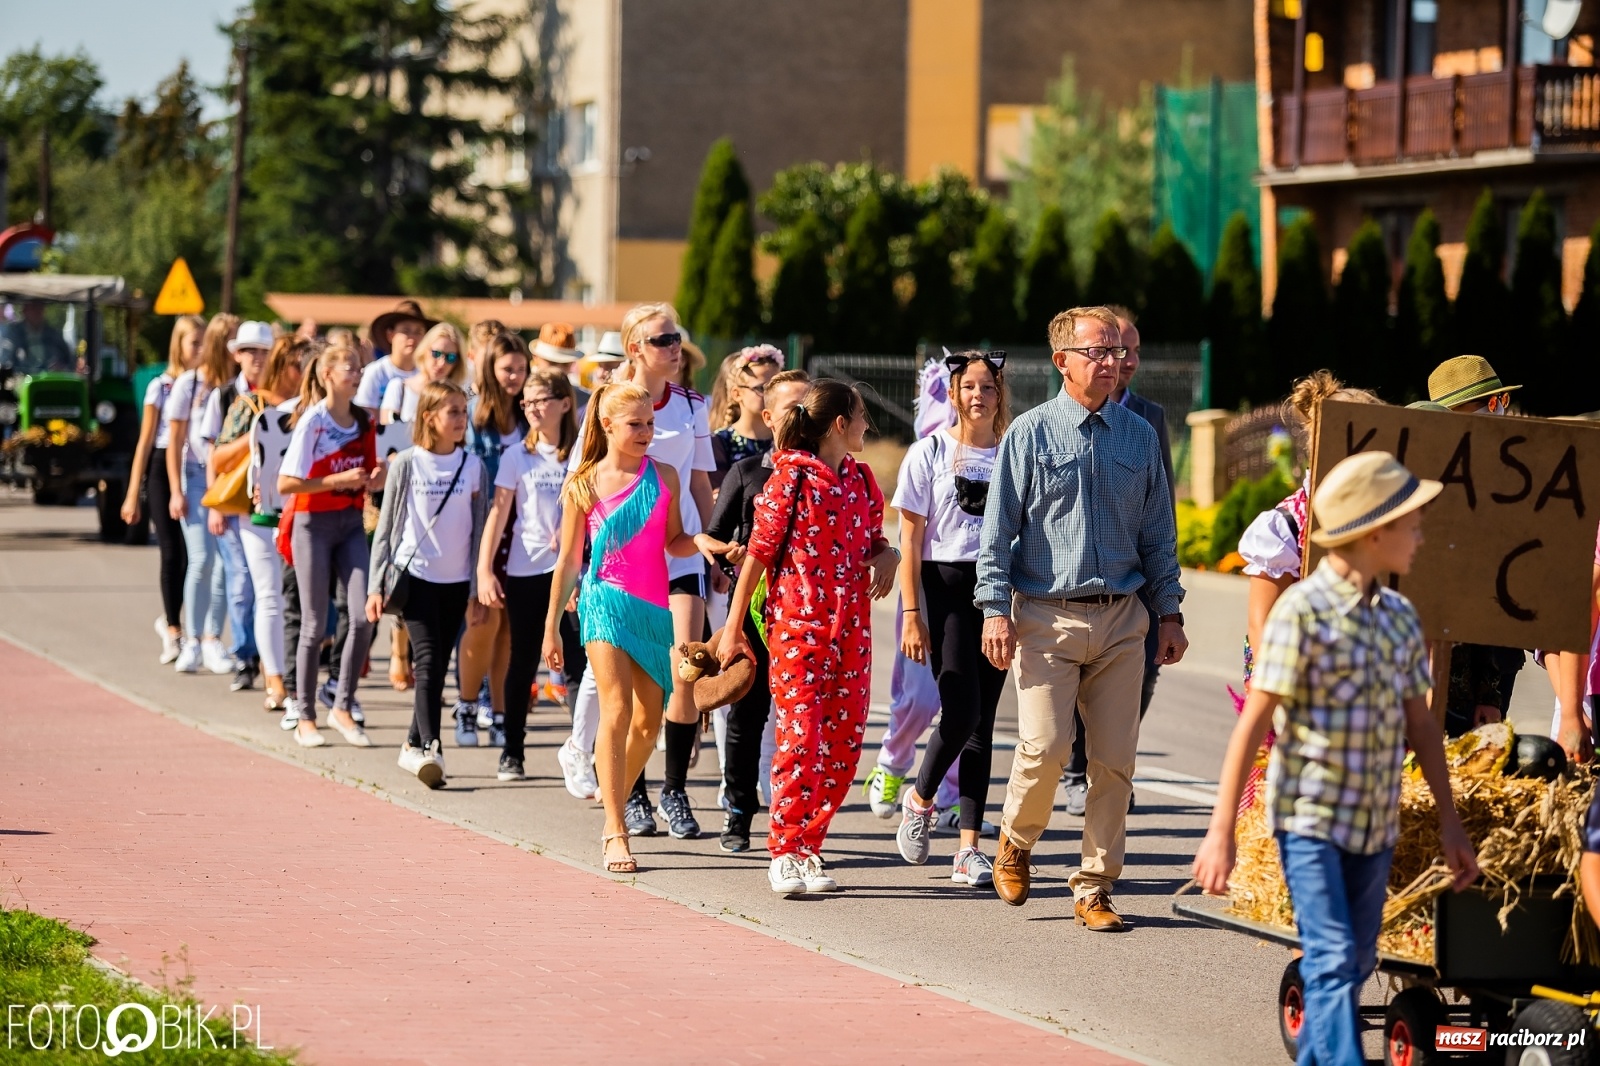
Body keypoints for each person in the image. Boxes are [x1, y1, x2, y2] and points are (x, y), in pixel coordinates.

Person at [1194, 450, 1479, 1066]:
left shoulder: (1400, 619)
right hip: (1311, 822)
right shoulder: (1302, 614)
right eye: (1411, 523)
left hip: (1375, 826)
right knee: (1328, 957)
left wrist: (1451, 822)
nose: (1421, 535)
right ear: (1375, 532)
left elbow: (1422, 726)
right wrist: (1222, 831)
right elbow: (1254, 723)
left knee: (1354, 959)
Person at [977, 305, 1186, 930]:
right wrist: (994, 609)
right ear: (1061, 361)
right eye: (1096, 352)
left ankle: (1094, 886)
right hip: (1046, 614)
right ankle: (1016, 841)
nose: (1111, 362)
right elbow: (998, 533)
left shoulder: (1140, 436)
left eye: (1117, 352)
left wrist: (1169, 612)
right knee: (1045, 747)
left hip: (1124, 619)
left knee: (1115, 760)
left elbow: (1159, 534)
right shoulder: (1030, 435)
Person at [719, 379, 898, 895]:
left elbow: (874, 540)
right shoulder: (788, 479)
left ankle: (809, 846)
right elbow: (758, 553)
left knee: (843, 747)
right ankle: (784, 850)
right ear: (839, 424)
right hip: (798, 629)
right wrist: (733, 630)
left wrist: (888, 554)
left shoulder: (863, 480)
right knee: (800, 740)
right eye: (862, 416)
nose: (869, 425)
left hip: (853, 633)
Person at [542, 382, 726, 872]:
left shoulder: (665, 476)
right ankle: (615, 829)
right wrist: (551, 628)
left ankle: (612, 797)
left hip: (653, 609)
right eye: (636, 424)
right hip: (603, 602)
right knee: (617, 709)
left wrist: (702, 542)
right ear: (606, 426)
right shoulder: (582, 483)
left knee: (651, 720)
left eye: (650, 423)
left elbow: (675, 542)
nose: (647, 432)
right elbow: (566, 562)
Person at [567, 304, 716, 840]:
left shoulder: (692, 405)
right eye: (662, 339)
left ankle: (667, 787)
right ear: (635, 346)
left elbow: (699, 484)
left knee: (680, 678)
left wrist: (709, 546)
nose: (674, 346)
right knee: (615, 697)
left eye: (677, 337)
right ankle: (621, 808)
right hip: (615, 576)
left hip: (676, 558)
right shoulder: (605, 404)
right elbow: (584, 488)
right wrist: (575, 582)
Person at [1232, 372, 1382, 810]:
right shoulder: (1287, 523)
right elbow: (1262, 622)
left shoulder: (1383, 516)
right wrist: (1280, 692)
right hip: (1293, 674)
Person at [892, 350, 1009, 887]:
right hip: (943, 591)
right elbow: (910, 537)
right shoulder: (930, 452)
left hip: (997, 594)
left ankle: (968, 848)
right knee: (960, 709)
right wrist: (911, 611)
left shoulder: (1012, 454)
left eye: (987, 387)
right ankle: (919, 801)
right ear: (954, 394)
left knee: (983, 725)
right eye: (968, 387)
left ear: (999, 395)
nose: (978, 396)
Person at [1060, 308, 1176, 815]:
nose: (1119, 360)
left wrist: (1168, 595)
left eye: (1126, 350)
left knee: (1141, 676)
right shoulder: (1049, 422)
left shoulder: (1149, 420)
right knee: (1079, 686)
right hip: (1073, 589)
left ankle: (1107, 766)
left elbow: (1162, 504)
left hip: (1137, 582)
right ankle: (1075, 768)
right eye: (1108, 349)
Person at [705, 368, 811, 852]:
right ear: (769, 417)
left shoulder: (828, 475)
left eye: (810, 406)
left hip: (808, 611)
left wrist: (885, 553)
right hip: (752, 610)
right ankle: (738, 813)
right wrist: (727, 550)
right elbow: (711, 534)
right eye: (792, 408)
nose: (802, 417)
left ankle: (797, 822)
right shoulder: (748, 472)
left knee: (802, 719)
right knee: (748, 715)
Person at [368, 381, 491, 785]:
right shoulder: (406, 463)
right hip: (414, 577)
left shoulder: (473, 465)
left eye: (462, 411)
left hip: (456, 582)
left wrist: (476, 589)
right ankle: (430, 748)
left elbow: (479, 532)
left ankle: (410, 744)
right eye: (452, 412)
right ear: (429, 417)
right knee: (428, 659)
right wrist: (375, 586)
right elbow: (387, 529)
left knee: (437, 666)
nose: (461, 419)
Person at [278, 342, 383, 748]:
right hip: (312, 524)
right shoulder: (313, 421)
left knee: (362, 616)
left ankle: (342, 704)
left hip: (351, 523)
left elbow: (369, 478)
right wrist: (336, 481)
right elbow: (285, 483)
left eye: (359, 368)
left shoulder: (362, 421)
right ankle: (304, 714)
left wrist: (377, 476)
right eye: (348, 369)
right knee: (314, 623)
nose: (356, 375)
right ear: (326, 376)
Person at [477, 369, 577, 781]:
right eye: (527, 402)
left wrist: (573, 537)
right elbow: (499, 511)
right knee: (523, 661)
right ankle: (512, 751)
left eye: (541, 400)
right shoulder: (517, 454)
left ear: (565, 403)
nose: (533, 408)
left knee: (577, 662)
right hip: (525, 569)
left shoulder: (581, 453)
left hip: (571, 570)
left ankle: (581, 751)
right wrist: (484, 569)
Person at [220, 335, 306, 713]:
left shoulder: (318, 411)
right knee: (268, 595)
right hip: (260, 513)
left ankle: (300, 677)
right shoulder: (252, 405)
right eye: (298, 365)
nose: (303, 374)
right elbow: (218, 459)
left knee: (302, 601)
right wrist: (258, 430)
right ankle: (275, 680)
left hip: (303, 511)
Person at [456, 330, 531, 747]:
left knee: (509, 630)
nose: (515, 376)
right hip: (480, 530)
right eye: (507, 368)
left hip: (522, 530)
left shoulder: (527, 416)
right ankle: (467, 706)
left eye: (521, 368)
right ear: (490, 368)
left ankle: (499, 712)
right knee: (482, 620)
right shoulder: (472, 414)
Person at [122, 314, 203, 664]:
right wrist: (131, 494)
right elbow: (145, 441)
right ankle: (173, 628)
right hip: (160, 465)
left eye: (204, 343)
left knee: (194, 555)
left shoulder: (206, 384)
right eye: (193, 343)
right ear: (179, 345)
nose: (199, 350)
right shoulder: (162, 386)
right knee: (171, 551)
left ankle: (191, 626)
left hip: (193, 467)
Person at [164, 313, 239, 677]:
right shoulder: (190, 385)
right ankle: (191, 639)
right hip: (195, 477)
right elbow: (174, 441)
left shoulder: (239, 387)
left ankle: (213, 637)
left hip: (228, 480)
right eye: (231, 342)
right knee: (201, 559)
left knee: (226, 563)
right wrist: (176, 490)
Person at [205, 320, 275, 692]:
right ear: (237, 355)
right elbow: (211, 453)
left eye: (263, 351)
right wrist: (215, 503)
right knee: (241, 581)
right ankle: (245, 655)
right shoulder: (224, 396)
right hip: (234, 498)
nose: (257, 359)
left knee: (268, 584)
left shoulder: (279, 394)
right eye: (250, 351)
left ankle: (268, 656)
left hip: (267, 499)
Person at [709, 345, 783, 489]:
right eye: (761, 388)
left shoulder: (786, 439)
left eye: (774, 387)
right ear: (737, 394)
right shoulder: (720, 442)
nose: (770, 394)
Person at [380, 323, 466, 424]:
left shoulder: (460, 397)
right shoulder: (399, 388)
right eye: (436, 354)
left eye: (450, 357)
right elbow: (386, 433)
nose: (442, 362)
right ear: (424, 350)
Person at [355, 302, 432, 413]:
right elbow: (365, 415)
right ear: (390, 335)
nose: (413, 338)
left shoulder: (427, 373)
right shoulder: (375, 372)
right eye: (406, 331)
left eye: (418, 332)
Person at [0, 300, 74, 373]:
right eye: (33, 308)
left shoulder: (53, 334)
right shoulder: (14, 333)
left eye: (40, 308)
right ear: (24, 311)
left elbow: (68, 359)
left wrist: (61, 367)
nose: (37, 312)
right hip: (22, 380)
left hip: (49, 379)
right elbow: (6, 361)